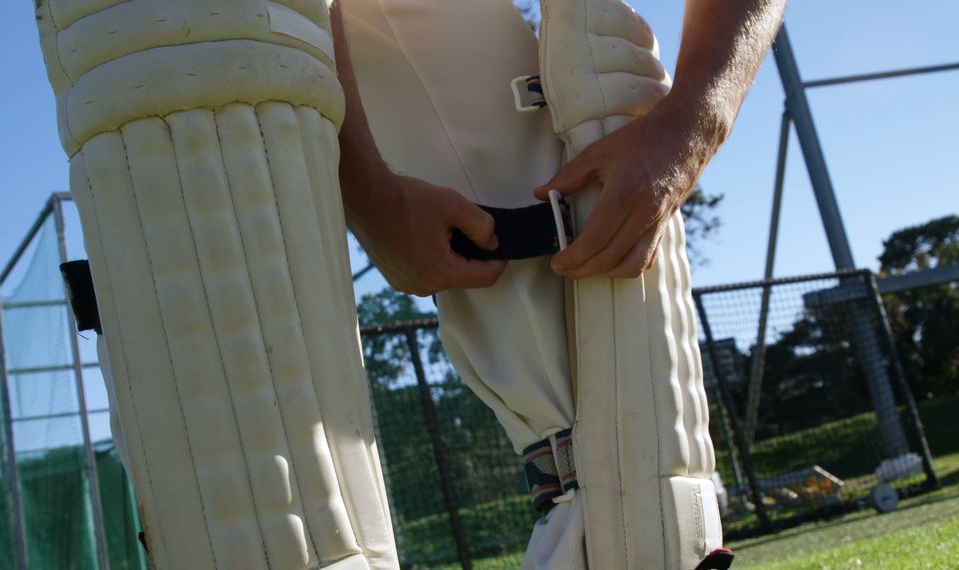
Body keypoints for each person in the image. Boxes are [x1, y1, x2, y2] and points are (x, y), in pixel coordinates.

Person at [332, 0, 785, 568]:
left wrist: (695, 120)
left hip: (588, 83)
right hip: (405, 43)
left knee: (649, 468)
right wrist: (367, 195)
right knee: (612, 484)